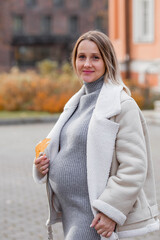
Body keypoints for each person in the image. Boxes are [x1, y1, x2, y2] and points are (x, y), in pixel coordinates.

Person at [33, 30, 159, 240]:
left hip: (95, 218)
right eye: (81, 57)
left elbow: (135, 167)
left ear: (107, 61)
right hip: (72, 212)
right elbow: (62, 146)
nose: (87, 64)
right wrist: (43, 163)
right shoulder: (76, 102)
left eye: (95, 57)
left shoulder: (122, 106)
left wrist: (110, 210)